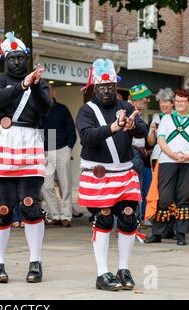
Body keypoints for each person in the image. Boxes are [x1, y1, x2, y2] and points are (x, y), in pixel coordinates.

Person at [0, 32, 52, 283]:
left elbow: (46, 108)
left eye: (22, 58)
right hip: (4, 140)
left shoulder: (38, 82)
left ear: (27, 59)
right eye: (13, 58)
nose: (18, 62)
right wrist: (22, 85)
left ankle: (35, 262)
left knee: (31, 204)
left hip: (30, 140)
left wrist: (37, 87)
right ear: (5, 60)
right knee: (3, 207)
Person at [76, 58, 148, 291]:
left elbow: (144, 131)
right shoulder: (86, 110)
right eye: (101, 87)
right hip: (99, 174)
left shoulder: (126, 107)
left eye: (110, 86)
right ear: (93, 87)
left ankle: (124, 269)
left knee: (128, 217)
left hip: (124, 172)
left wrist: (132, 126)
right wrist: (113, 128)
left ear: (116, 87)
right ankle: (102, 273)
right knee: (104, 218)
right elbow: (86, 137)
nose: (106, 91)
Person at [144, 89, 189, 246]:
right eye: (177, 101)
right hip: (167, 161)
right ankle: (157, 233)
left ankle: (181, 234)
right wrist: (172, 154)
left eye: (182, 101)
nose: (179, 104)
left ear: (188, 102)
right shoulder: (167, 119)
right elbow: (161, 140)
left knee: (184, 197)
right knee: (164, 196)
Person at [41, 84, 77, 227]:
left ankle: (66, 216)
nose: (46, 93)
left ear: (53, 92)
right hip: (45, 150)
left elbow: (71, 130)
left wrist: (69, 147)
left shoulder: (62, 109)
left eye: (48, 90)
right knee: (46, 186)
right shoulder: (38, 109)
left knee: (66, 185)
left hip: (62, 148)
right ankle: (55, 214)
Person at [145, 88, 176, 239]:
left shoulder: (178, 117)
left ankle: (172, 227)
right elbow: (150, 143)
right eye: (161, 102)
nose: (163, 104)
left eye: (166, 102)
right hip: (158, 157)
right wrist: (151, 131)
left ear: (173, 103)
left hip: (174, 158)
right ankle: (161, 228)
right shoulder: (156, 117)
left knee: (173, 195)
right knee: (159, 194)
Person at [129, 84, 152, 224]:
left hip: (136, 154)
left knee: (134, 188)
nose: (147, 101)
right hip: (132, 154)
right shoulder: (132, 112)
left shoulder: (135, 112)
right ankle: (132, 222)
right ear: (136, 99)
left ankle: (131, 221)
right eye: (145, 97)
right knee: (134, 189)